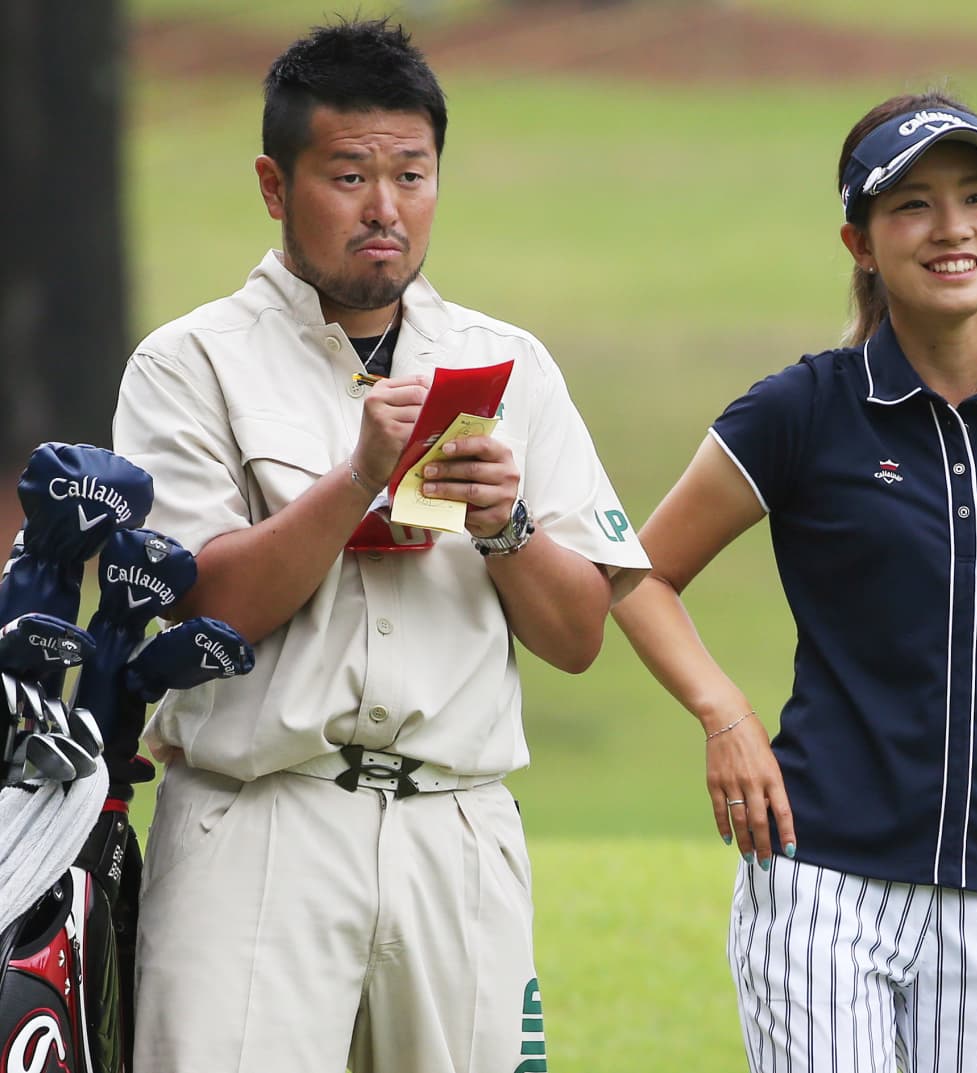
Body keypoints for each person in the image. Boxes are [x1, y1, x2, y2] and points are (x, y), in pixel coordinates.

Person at [112, 18, 648, 1073]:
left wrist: (506, 525)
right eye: (349, 175)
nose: (385, 209)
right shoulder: (190, 363)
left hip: (455, 827)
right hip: (257, 819)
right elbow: (204, 606)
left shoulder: (509, 364)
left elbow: (578, 631)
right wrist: (356, 479)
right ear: (275, 185)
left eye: (412, 172)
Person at [612, 92, 977, 1071]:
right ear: (860, 241)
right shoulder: (800, 411)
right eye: (913, 204)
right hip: (820, 878)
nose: (952, 228)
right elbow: (632, 572)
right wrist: (723, 714)